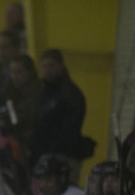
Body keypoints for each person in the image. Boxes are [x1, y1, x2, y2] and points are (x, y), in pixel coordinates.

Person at [30, 49, 90, 183]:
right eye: (44, 66)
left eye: (51, 66)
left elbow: (70, 129)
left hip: (65, 156)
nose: (47, 70)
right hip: (42, 156)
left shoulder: (71, 94)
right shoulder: (41, 93)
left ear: (61, 66)